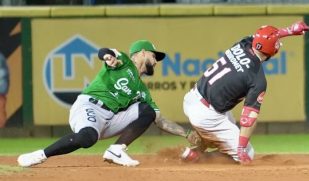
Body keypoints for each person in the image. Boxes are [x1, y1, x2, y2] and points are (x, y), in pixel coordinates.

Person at [18, 40, 200, 167]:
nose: (156, 61)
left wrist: (187, 133)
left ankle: (116, 149)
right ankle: (41, 155)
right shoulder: (125, 63)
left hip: (110, 119)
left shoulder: (142, 91)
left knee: (149, 111)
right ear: (142, 53)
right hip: (90, 106)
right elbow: (105, 51)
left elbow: (160, 121)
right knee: (86, 139)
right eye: (154, 56)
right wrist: (108, 57)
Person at [181, 21, 309, 164]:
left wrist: (289, 30)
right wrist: (241, 148)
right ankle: (198, 158)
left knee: (223, 130)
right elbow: (248, 118)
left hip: (192, 98)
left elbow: (262, 38)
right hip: (207, 115)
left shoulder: (243, 43)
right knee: (248, 152)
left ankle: (193, 151)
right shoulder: (257, 78)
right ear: (273, 52)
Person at [0, 52, 9, 128]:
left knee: (1, 110)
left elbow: (4, 74)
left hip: (0, 90)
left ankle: (2, 131)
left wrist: (3, 90)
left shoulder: (1, 58)